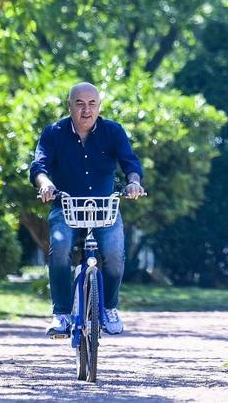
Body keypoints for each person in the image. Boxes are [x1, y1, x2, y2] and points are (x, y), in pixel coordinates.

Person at [30, 82, 145, 337]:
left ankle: (109, 308)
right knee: (59, 248)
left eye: (92, 104)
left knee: (114, 254)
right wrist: (46, 184)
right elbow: (39, 166)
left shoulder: (113, 131)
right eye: (80, 104)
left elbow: (130, 163)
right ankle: (61, 314)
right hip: (66, 207)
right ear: (69, 106)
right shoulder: (54, 133)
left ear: (99, 106)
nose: (86, 110)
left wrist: (134, 182)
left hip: (104, 209)